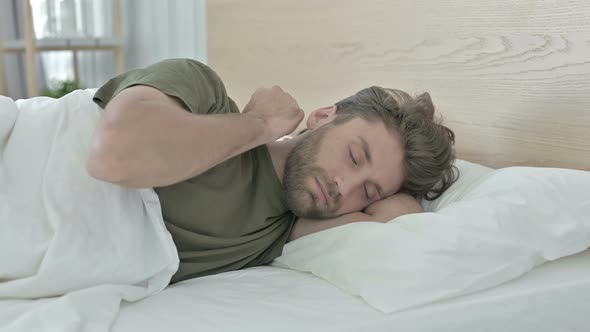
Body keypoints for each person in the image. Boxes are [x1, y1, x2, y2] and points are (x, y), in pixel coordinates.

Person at [88, 58, 457, 284]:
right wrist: (259, 123)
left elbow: (403, 224)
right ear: (324, 116)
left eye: (370, 192)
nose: (343, 187)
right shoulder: (203, 94)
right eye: (355, 157)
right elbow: (115, 154)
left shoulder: (280, 236)